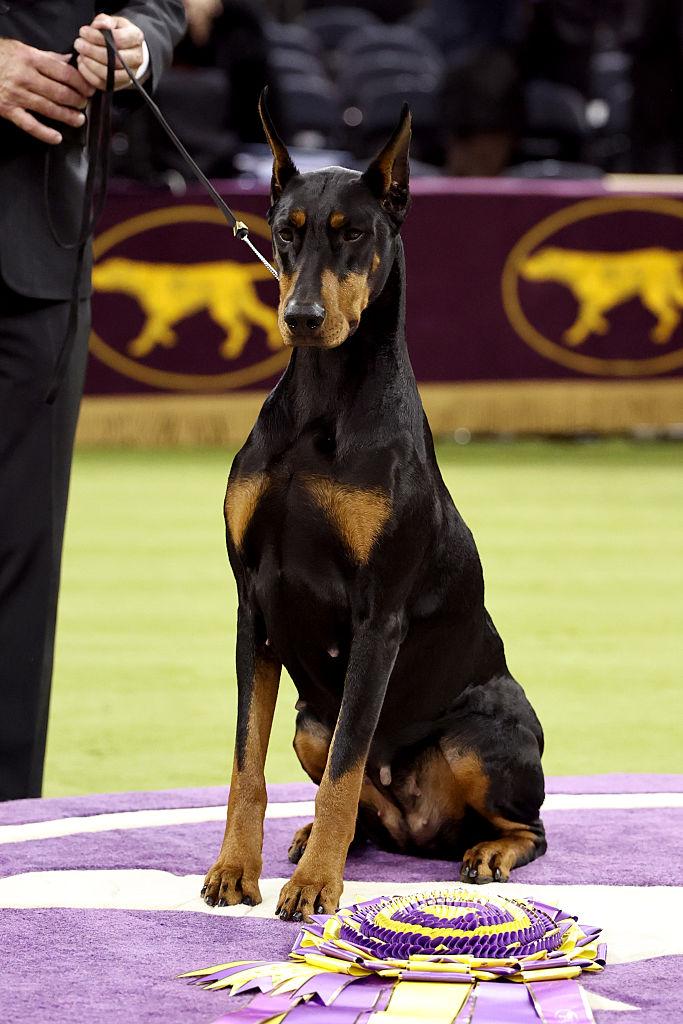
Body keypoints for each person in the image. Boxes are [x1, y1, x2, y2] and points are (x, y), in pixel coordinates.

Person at [0, 2, 186, 801]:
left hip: (39, 255)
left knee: (22, 564)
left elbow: (161, 6)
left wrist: (139, 45)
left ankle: (7, 833)